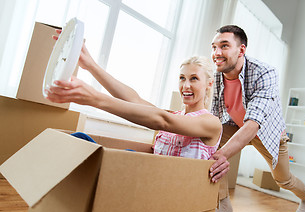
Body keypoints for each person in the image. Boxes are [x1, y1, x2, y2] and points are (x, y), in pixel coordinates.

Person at [46, 31, 222, 161]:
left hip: (166, 188)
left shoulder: (210, 123)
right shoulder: (174, 115)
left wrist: (94, 98)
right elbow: (133, 100)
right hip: (146, 176)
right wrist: (91, 65)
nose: (186, 85)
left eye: (194, 79)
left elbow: (163, 121)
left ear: (209, 84)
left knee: (120, 156)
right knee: (79, 139)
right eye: (182, 78)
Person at [208, 25, 305, 212]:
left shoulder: (265, 72)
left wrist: (221, 155)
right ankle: (223, 204)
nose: (217, 53)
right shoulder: (217, 74)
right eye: (214, 47)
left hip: (267, 133)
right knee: (209, 144)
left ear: (241, 50)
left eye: (224, 46)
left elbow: (254, 123)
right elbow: (214, 116)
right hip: (237, 126)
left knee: (283, 180)